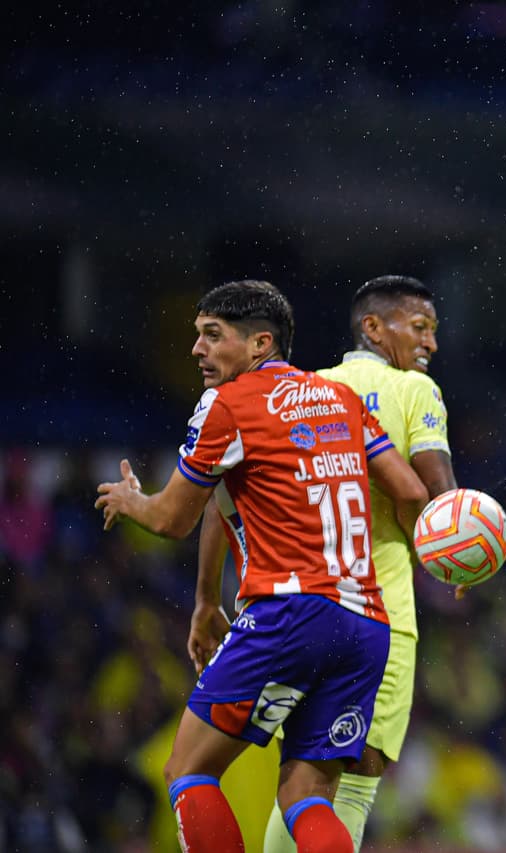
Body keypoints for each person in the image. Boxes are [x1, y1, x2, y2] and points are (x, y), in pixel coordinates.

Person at [95, 280, 429, 853]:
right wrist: (206, 602)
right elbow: (412, 491)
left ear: (259, 344)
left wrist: (132, 501)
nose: (197, 350)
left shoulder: (231, 406)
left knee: (189, 769)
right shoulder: (340, 401)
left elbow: (174, 518)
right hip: (367, 624)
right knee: (305, 793)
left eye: (212, 336)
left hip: (288, 612)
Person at [187, 276, 457, 852]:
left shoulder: (312, 388)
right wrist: (452, 560)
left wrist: (207, 597)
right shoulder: (415, 390)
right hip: (376, 615)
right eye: (421, 327)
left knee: (296, 780)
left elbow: (220, 498)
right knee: (343, 784)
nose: (431, 344)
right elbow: (434, 497)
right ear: (373, 327)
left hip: (288, 611)